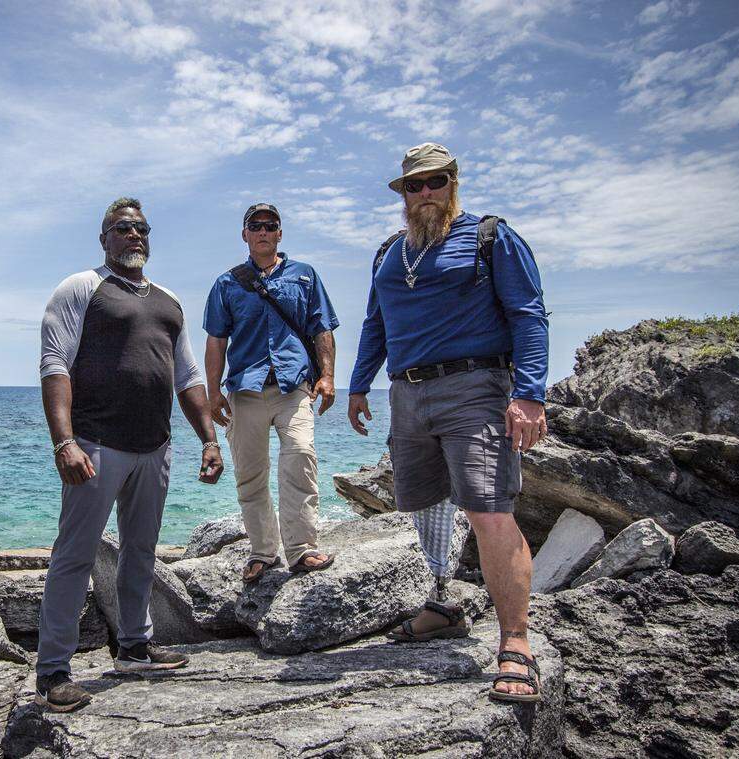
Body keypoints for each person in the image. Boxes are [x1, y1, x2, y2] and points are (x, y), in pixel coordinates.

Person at [347, 143, 549, 703]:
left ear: (453, 182)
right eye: (414, 185)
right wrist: (360, 385)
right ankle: (443, 604)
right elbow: (375, 322)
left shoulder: (490, 237)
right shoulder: (390, 252)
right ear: (403, 193)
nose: (425, 192)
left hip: (476, 389)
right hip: (408, 393)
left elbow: (528, 313)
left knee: (488, 508)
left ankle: (516, 643)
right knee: (427, 503)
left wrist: (529, 395)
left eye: (435, 181)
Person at [35, 197, 224, 712]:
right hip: (95, 445)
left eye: (142, 228)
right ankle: (53, 670)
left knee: (141, 551)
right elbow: (55, 365)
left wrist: (209, 438)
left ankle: (134, 648)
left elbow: (186, 377)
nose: (134, 235)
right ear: (104, 238)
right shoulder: (81, 288)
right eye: (122, 228)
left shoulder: (168, 301)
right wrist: (64, 441)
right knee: (74, 556)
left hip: (154, 447)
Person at [203, 203, 339, 584]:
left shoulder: (305, 276)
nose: (263, 231)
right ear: (244, 234)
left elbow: (322, 329)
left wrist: (327, 376)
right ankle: (263, 551)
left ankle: (301, 549)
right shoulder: (226, 283)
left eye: (270, 225)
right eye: (255, 226)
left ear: (280, 233)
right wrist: (213, 393)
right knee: (250, 474)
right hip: (245, 390)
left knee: (300, 458)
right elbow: (216, 341)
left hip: (293, 387)